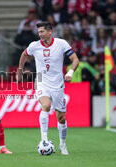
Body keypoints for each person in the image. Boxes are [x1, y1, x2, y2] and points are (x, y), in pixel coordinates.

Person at [17, 22, 79, 155]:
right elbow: (24, 55)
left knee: (61, 118)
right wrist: (19, 71)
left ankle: (62, 144)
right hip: (41, 82)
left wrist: (70, 72)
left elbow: (75, 60)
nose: (40, 35)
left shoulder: (61, 44)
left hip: (58, 84)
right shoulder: (34, 46)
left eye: (42, 32)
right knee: (45, 105)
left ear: (50, 32)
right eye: (38, 32)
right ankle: (44, 140)